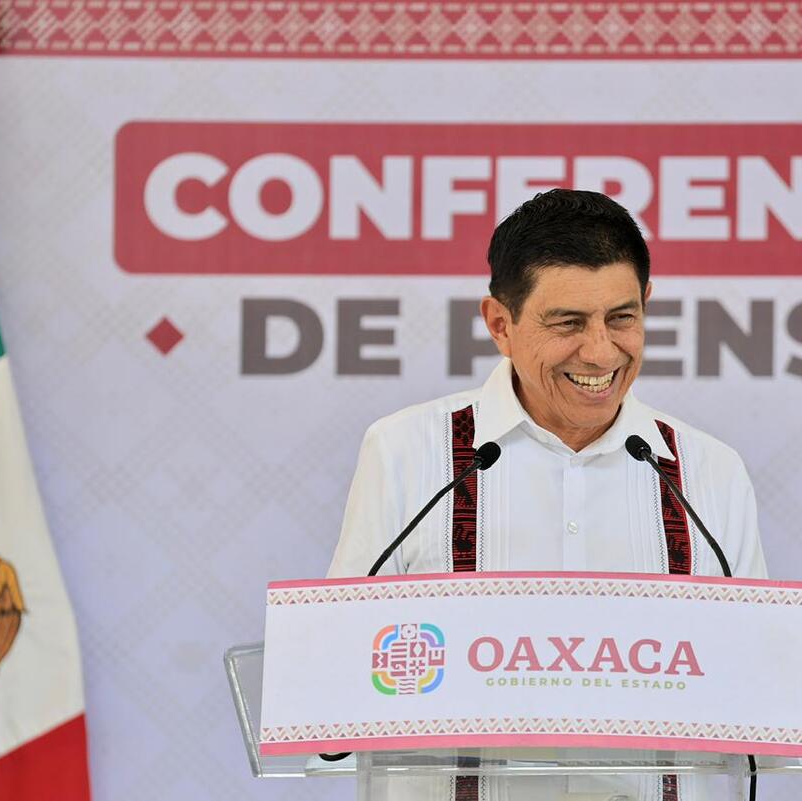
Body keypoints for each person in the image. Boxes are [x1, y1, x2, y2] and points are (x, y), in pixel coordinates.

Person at [325, 188, 767, 800]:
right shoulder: (406, 452)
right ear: (500, 324)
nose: (601, 351)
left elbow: (756, 688)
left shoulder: (707, 470)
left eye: (622, 318)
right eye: (568, 323)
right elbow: (337, 677)